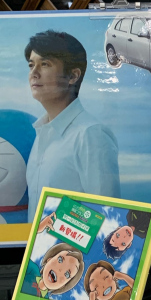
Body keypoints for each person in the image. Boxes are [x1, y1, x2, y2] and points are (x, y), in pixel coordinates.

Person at [25, 30, 120, 218]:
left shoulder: (91, 134)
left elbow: (107, 216)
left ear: (73, 76)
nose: (34, 73)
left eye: (45, 64)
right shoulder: (41, 133)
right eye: (31, 65)